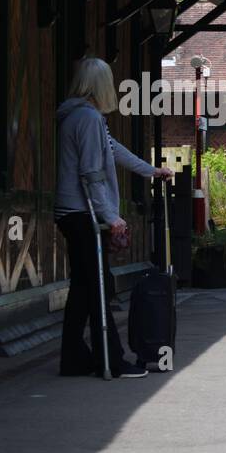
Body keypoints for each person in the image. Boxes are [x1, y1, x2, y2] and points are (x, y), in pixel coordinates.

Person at [55, 57, 173, 378]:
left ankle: (74, 358)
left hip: (70, 212)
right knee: (99, 287)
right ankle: (111, 359)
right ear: (101, 86)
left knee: (84, 287)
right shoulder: (88, 119)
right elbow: (92, 173)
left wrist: (151, 171)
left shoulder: (78, 117)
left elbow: (114, 150)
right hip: (83, 214)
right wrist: (111, 216)